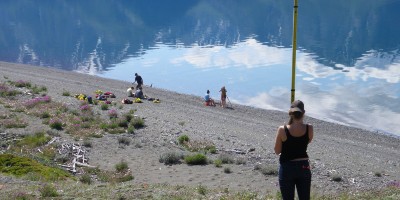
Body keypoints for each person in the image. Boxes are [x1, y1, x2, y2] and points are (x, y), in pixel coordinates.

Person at [274, 100, 314, 200]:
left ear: (290, 113)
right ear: (303, 113)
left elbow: (277, 151)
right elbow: (306, 143)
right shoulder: (309, 128)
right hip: (304, 166)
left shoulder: (282, 129)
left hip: (287, 167)